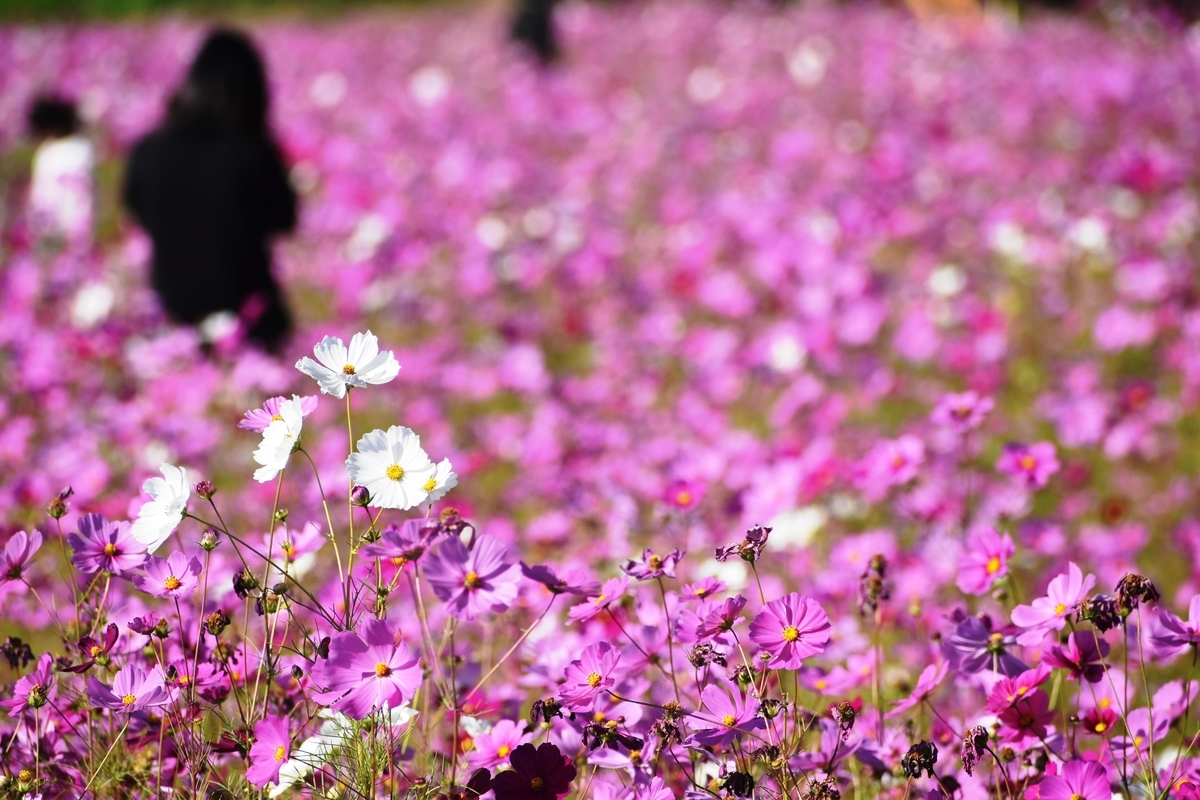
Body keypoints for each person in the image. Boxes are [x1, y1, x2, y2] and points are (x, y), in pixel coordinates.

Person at [124, 28, 296, 353]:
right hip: (250, 322)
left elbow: (140, 212)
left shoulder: (146, 151)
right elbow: (283, 218)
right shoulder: (251, 152)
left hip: (173, 324)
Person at [28, 96, 95, 253]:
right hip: (62, 227)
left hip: (65, 226)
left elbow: (81, 194)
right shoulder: (79, 148)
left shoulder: (76, 149)